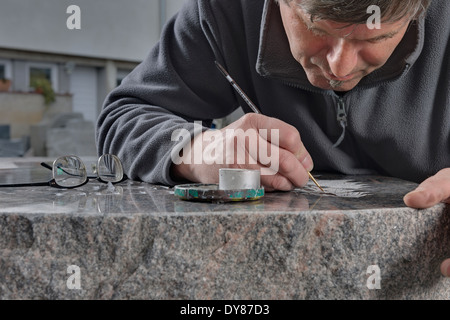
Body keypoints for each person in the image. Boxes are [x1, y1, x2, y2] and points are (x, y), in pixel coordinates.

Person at [96, 0, 450, 274]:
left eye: (374, 38)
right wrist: (197, 149)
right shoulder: (225, 11)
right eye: (317, 28)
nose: (339, 69)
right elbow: (124, 116)